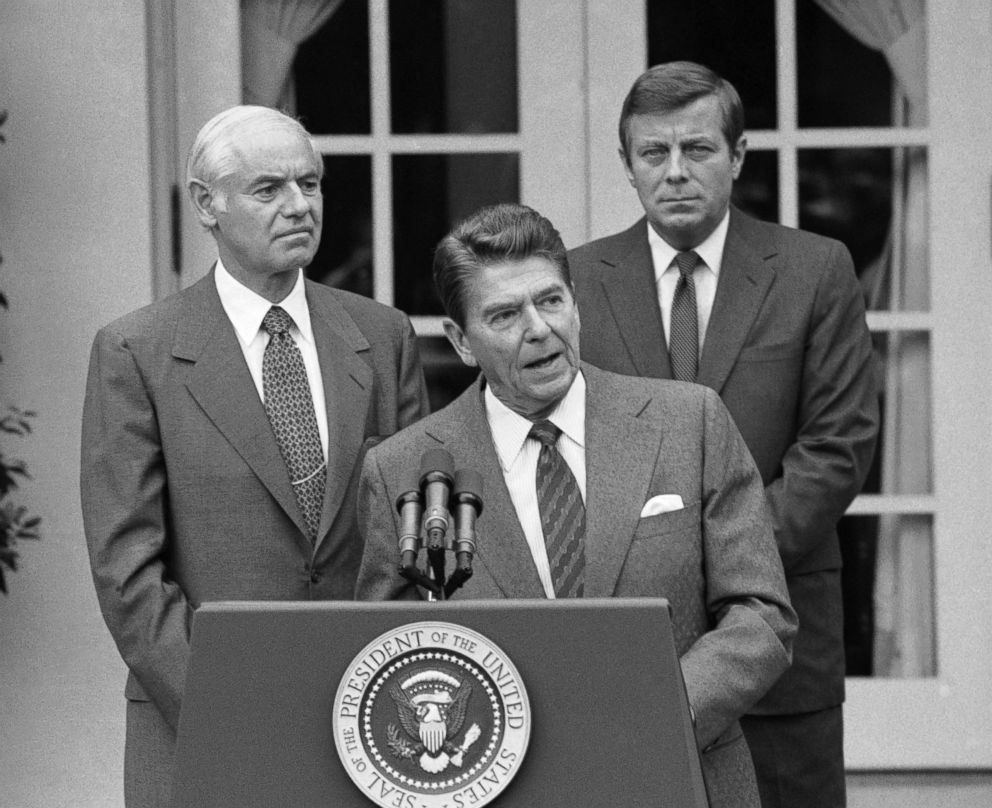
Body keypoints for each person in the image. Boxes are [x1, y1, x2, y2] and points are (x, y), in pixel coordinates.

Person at [354, 203, 797, 808]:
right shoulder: (405, 470)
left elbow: (760, 613)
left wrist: (659, 713)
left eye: (551, 300)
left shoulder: (686, 421)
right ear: (460, 341)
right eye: (505, 314)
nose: (538, 328)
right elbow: (391, 658)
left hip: (678, 774)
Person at [80, 105, 429, 807]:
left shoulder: (382, 336)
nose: (300, 205)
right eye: (269, 189)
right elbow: (128, 571)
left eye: (312, 183)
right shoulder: (137, 352)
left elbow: (412, 536)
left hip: (370, 729)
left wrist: (376, 685)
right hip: (204, 727)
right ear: (206, 205)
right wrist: (229, 704)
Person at [568, 61, 880, 808]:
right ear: (627, 165)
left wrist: (722, 559)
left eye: (698, 150)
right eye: (653, 153)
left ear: (737, 157)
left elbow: (837, 447)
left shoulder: (814, 270)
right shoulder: (574, 279)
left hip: (780, 645)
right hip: (621, 642)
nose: (675, 172)